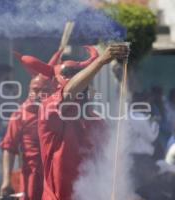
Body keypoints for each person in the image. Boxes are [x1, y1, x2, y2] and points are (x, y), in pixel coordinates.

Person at [18, 44, 129, 200]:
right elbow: (69, 91)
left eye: (79, 75)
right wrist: (101, 61)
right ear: (55, 84)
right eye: (68, 75)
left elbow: (107, 164)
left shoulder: (97, 120)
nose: (79, 82)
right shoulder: (49, 109)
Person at [0, 48, 62, 200]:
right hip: (32, 175)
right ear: (29, 90)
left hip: (56, 174)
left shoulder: (59, 112)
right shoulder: (21, 114)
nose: (39, 94)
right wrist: (6, 180)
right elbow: (9, 147)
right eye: (35, 90)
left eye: (44, 90)